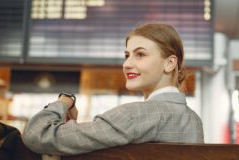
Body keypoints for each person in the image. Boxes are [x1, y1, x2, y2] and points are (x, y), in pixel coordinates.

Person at [22, 23, 204, 156]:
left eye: (140, 54)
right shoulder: (194, 120)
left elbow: (37, 134)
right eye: (127, 55)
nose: (127, 64)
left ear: (170, 63)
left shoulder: (136, 115)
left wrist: (64, 101)